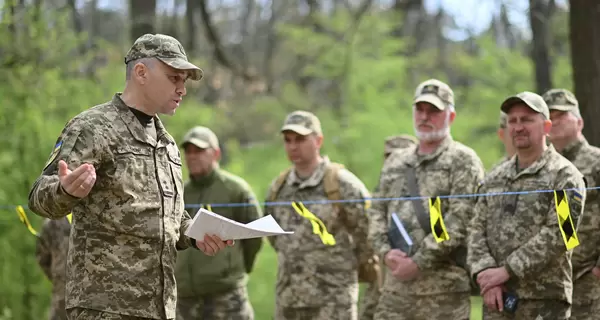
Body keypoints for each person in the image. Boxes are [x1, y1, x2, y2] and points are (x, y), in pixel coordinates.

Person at [27, 33, 232, 320]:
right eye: (175, 78)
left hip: (160, 308)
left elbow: (167, 221)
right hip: (105, 308)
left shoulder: (167, 143)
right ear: (141, 72)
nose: (182, 89)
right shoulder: (92, 128)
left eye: (184, 81)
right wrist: (66, 191)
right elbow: (39, 196)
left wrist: (194, 234)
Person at [368, 79, 485, 320]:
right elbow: (376, 211)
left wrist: (419, 261)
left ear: (450, 117)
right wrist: (385, 252)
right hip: (395, 292)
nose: (425, 116)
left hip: (443, 293)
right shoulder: (396, 162)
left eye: (433, 111)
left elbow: (460, 220)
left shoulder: (463, 160)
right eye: (420, 110)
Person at [467, 91, 586, 319]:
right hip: (497, 300)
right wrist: (486, 275)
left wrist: (507, 271)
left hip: (542, 302)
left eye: (527, 119)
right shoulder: (495, 177)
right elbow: (476, 230)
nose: (518, 127)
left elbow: (562, 234)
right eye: (513, 121)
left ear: (546, 126)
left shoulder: (564, 176)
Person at [264, 110, 375, 320]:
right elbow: (274, 237)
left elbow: (368, 235)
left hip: (333, 301)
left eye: (300, 139)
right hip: (289, 300)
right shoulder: (278, 188)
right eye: (288, 140)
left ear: (318, 140)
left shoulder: (342, 185)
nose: (293, 146)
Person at [175, 126, 262, 320]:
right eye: (188, 151)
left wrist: (233, 272)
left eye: (199, 151)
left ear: (216, 153)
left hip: (226, 297)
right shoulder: (178, 192)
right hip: (184, 299)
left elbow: (255, 236)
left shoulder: (236, 190)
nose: (192, 156)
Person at [543, 88, 600, 320]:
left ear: (579, 121)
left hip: (589, 277)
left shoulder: (597, 161)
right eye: (550, 117)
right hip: (550, 280)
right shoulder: (541, 168)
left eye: (562, 115)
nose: (555, 122)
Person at [358, 134, 417, 320]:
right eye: (388, 157)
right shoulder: (379, 199)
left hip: (420, 287)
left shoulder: (427, 198)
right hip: (383, 285)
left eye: (400, 157)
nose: (393, 163)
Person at [36, 217, 71, 320]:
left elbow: (42, 259)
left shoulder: (52, 221)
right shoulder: (51, 223)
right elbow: (42, 258)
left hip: (92, 299)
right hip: (62, 297)